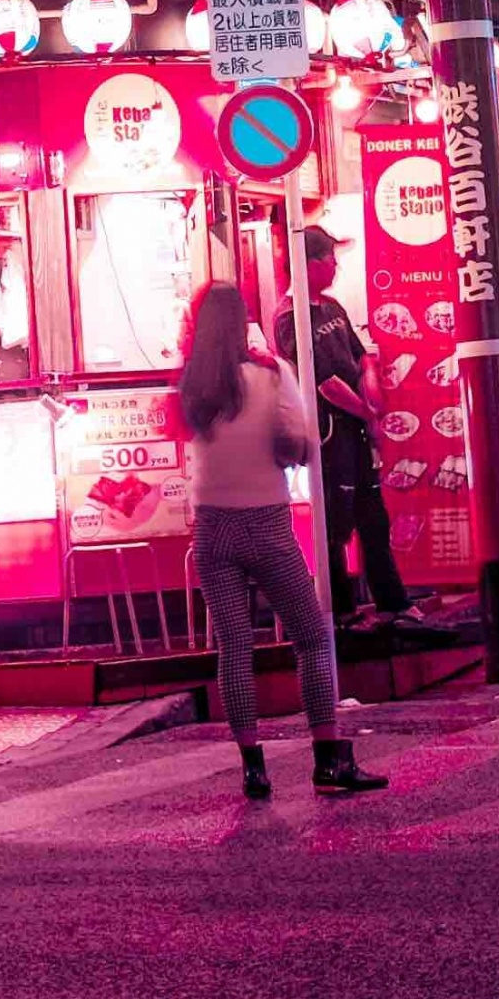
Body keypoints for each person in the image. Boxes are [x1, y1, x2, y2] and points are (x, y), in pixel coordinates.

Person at [179, 282, 387, 798]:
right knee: (312, 638)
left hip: (212, 531)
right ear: (243, 321)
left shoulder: (191, 387)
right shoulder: (271, 375)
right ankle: (327, 761)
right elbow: (299, 448)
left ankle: (253, 768)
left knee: (234, 649)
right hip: (267, 527)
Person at [273, 223, 423, 629]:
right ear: (307, 265)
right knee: (334, 524)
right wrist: (366, 413)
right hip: (330, 431)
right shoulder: (290, 318)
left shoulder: (333, 308)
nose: (335, 266)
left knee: (374, 517)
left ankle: (393, 602)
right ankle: (341, 612)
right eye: (329, 259)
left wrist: (371, 389)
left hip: (356, 426)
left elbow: (361, 358)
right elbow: (324, 382)